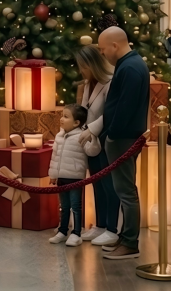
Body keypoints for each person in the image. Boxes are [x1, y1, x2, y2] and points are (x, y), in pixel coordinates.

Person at [97, 26, 149, 261]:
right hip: (124, 135)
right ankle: (125, 237)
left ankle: (130, 242)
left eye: (102, 49)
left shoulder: (129, 67)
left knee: (126, 191)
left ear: (115, 46)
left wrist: (112, 134)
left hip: (123, 137)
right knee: (124, 188)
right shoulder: (130, 63)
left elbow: (124, 107)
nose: (102, 53)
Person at [74, 45, 120, 248]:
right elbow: (86, 110)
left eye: (83, 67)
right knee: (97, 185)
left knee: (109, 186)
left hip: (103, 138)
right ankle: (101, 226)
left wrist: (91, 129)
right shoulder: (87, 84)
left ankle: (112, 229)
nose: (81, 71)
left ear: (92, 65)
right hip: (90, 141)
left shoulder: (109, 82)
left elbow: (109, 113)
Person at [47, 104, 100, 247]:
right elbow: (55, 156)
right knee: (63, 206)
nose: (61, 119)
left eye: (66, 116)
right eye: (62, 116)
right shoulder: (59, 136)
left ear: (77, 122)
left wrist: (93, 137)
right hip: (61, 177)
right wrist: (53, 174)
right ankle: (63, 231)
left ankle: (76, 234)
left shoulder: (81, 136)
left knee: (75, 206)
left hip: (75, 177)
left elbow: (92, 151)